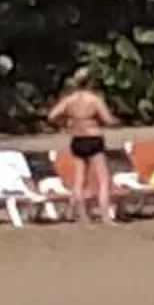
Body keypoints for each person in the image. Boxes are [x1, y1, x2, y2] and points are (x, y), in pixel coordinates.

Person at [47, 67, 118, 225]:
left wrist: (66, 122)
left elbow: (51, 115)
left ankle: (82, 216)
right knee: (103, 179)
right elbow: (108, 119)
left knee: (79, 180)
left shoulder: (69, 100)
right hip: (93, 137)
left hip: (77, 138)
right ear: (91, 82)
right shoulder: (94, 99)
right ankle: (105, 216)